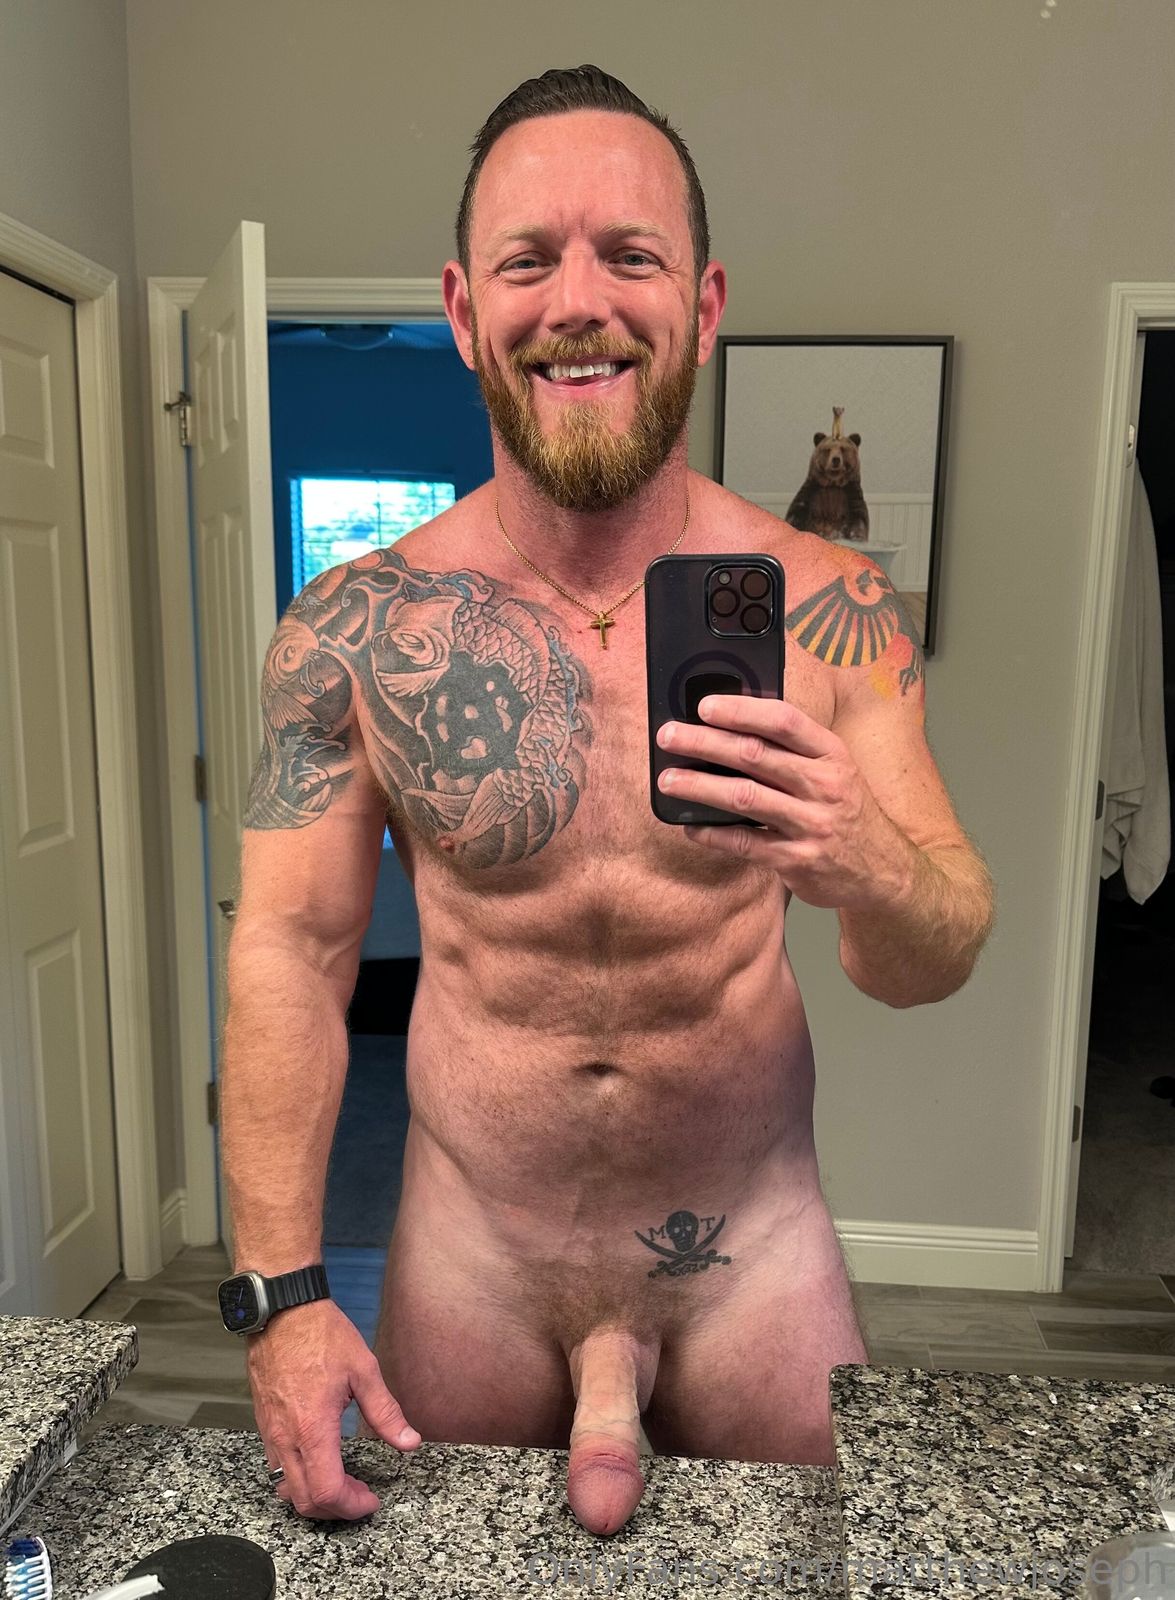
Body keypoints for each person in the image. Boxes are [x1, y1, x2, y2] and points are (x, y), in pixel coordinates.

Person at [220, 64, 995, 1538]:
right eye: (530, 260)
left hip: (751, 1253)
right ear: (464, 311)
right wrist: (280, 1296)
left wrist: (866, 861)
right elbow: (289, 954)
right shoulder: (355, 627)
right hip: (476, 1259)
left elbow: (936, 951)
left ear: (702, 304)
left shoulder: (836, 608)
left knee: (797, 1573)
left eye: (630, 255)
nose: (579, 301)